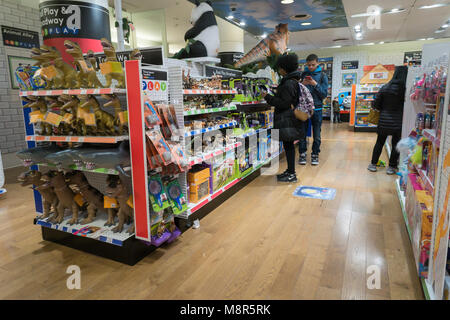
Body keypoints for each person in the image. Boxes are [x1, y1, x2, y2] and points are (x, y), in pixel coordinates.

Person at [262, 53, 302, 183]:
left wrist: (267, 97)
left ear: (284, 68)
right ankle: (290, 171)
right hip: (288, 119)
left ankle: (292, 174)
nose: (278, 70)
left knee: (289, 146)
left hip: (287, 119)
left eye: (280, 68)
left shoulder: (289, 83)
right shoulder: (292, 81)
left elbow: (284, 103)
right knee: (288, 146)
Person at [368, 65, 409, 175]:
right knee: (396, 144)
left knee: (379, 142)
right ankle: (391, 167)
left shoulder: (385, 87)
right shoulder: (405, 90)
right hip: (398, 123)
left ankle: (373, 164)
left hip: (383, 121)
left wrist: (383, 108)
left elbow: (376, 104)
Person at [298, 54, 329, 166]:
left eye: (313, 65)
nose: (310, 67)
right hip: (304, 108)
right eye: (309, 65)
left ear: (318, 63)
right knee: (302, 133)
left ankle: (315, 154)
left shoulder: (322, 76)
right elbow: (297, 92)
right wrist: (302, 84)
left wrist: (315, 84)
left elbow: (324, 94)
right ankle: (302, 153)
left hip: (317, 109)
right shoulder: (303, 74)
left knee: (317, 134)